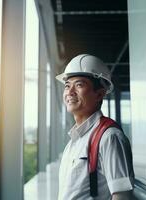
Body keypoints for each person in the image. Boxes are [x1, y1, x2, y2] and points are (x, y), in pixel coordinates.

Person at [56, 54, 134, 200]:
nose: (70, 92)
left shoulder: (109, 137)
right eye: (67, 86)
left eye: (79, 85)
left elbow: (122, 196)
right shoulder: (73, 141)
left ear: (99, 94)